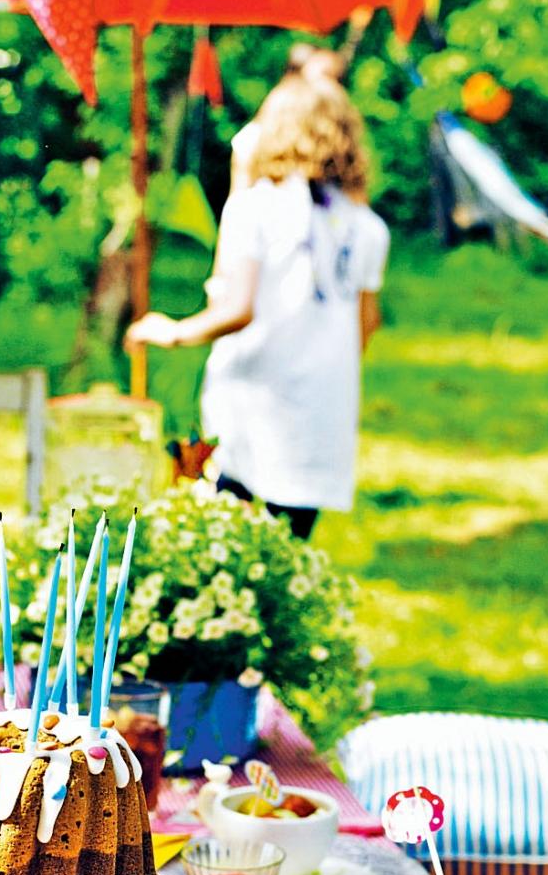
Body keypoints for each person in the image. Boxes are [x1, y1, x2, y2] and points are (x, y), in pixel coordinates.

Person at [126, 78, 389, 540]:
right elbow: (367, 322)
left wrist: (173, 332)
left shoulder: (256, 207)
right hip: (322, 404)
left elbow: (235, 306)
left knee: (228, 535)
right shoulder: (366, 226)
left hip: (254, 398)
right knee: (289, 545)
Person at [228, 40, 349, 194]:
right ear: (293, 79)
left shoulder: (337, 142)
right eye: (325, 76)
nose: (332, 88)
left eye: (337, 79)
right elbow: (238, 200)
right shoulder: (255, 138)